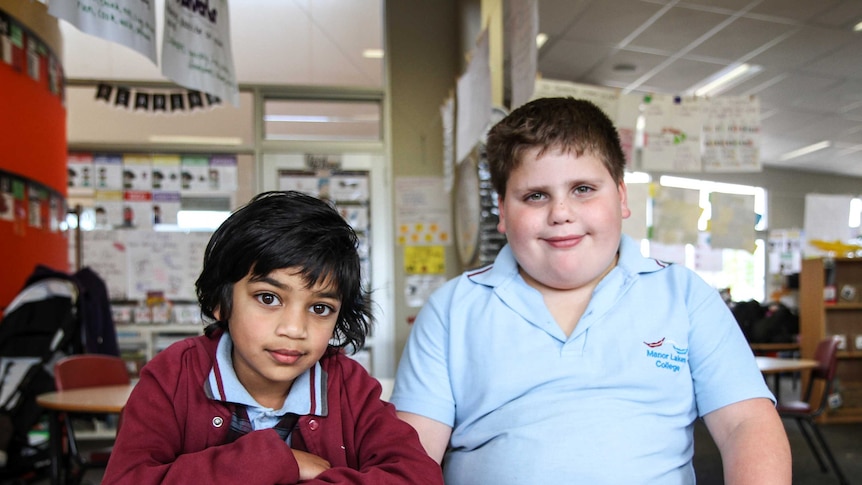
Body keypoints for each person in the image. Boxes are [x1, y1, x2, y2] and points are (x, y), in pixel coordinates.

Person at [391, 97, 791, 484]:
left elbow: (746, 423)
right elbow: (413, 453)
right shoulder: (452, 309)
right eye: (535, 195)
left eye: (583, 189)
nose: (561, 213)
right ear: (502, 211)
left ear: (621, 196)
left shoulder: (684, 295)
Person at [103, 191, 443, 485]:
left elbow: (418, 475)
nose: (294, 329)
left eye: (321, 308)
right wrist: (278, 461)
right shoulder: (174, 375)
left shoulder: (347, 385)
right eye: (269, 298)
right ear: (222, 302)